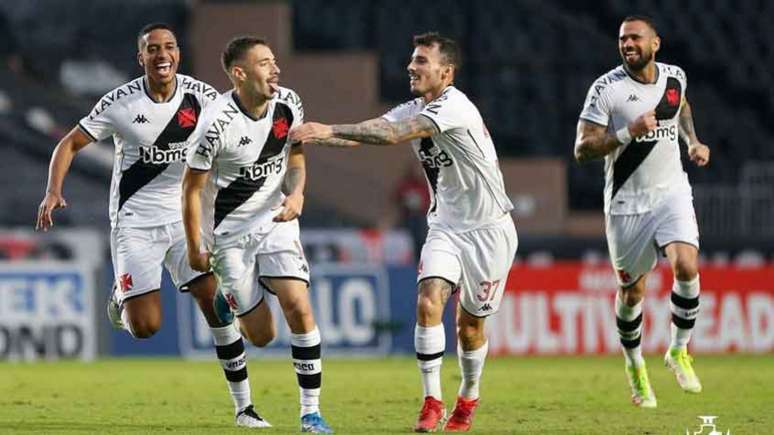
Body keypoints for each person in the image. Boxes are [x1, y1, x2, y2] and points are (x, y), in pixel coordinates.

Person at [35, 23, 271, 428]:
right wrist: (53, 190)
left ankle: (245, 408)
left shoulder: (204, 98)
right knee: (145, 327)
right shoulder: (120, 103)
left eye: (169, 47)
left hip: (184, 219)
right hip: (135, 223)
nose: (162, 55)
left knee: (216, 303)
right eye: (153, 49)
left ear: (178, 54)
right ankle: (120, 301)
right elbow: (69, 143)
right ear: (140, 58)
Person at [290, 32, 517, 433]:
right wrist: (316, 135)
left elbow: (393, 135)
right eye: (412, 60)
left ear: (446, 72)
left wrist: (326, 130)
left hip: (489, 230)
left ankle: (468, 396)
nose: (411, 67)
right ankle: (432, 401)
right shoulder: (415, 106)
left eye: (421, 61)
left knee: (470, 327)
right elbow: (370, 130)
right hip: (446, 225)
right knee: (429, 300)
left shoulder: (455, 106)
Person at [182, 36, 333, 433]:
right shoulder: (214, 124)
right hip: (228, 237)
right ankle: (229, 297)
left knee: (298, 305)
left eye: (274, 61)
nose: (276, 69)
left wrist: (298, 193)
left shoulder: (289, 103)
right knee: (262, 335)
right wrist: (195, 243)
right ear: (240, 73)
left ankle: (310, 413)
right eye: (265, 63)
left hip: (275, 221)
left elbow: (295, 157)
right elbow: (191, 189)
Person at [574, 15, 710, 408]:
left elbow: (681, 105)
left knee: (686, 265)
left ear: (656, 43)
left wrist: (693, 141)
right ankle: (635, 365)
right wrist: (626, 133)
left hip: (671, 193)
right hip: (626, 205)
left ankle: (678, 350)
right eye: (622, 39)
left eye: (635, 37)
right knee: (632, 291)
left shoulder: (674, 76)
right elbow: (582, 149)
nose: (627, 43)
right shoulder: (606, 89)